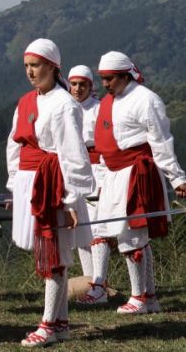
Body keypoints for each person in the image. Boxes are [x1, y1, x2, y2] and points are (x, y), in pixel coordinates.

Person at [85, 51, 186, 315]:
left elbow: (161, 142)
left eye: (109, 78)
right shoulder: (108, 102)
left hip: (136, 173)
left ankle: (139, 296)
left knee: (133, 235)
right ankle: (150, 296)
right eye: (102, 79)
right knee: (125, 234)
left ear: (124, 75)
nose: (105, 84)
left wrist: (176, 177)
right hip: (113, 175)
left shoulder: (146, 99)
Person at [7, 39, 94, 346]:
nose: (31, 72)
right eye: (28, 66)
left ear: (53, 67)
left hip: (53, 182)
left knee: (53, 254)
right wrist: (15, 184)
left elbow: (73, 154)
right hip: (31, 181)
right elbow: (15, 146)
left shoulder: (64, 104)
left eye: (37, 65)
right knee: (47, 251)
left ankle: (48, 324)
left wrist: (71, 198)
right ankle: (61, 323)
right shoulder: (26, 102)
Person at [66, 65, 109, 289]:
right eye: (74, 84)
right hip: (73, 171)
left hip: (96, 171)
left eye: (82, 84)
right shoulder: (65, 108)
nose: (77, 88)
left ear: (90, 86)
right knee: (80, 227)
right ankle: (88, 281)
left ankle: (100, 283)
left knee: (97, 226)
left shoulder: (99, 109)